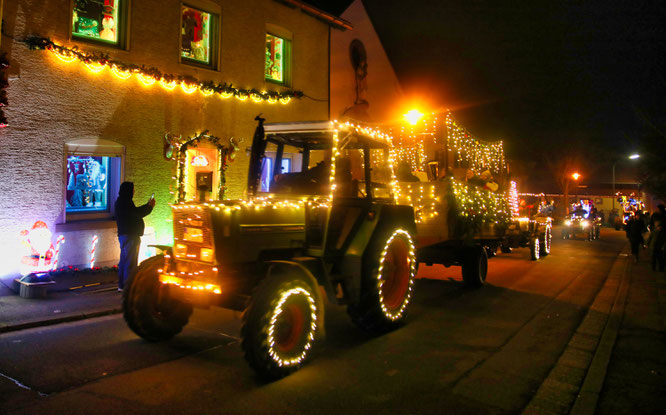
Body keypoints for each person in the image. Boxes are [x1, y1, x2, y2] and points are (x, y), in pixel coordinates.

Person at [115, 182, 155, 291]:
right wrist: (149, 207)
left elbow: (135, 212)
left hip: (126, 235)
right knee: (130, 262)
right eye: (133, 189)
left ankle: (122, 285)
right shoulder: (125, 202)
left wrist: (147, 206)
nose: (134, 192)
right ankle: (127, 286)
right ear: (128, 190)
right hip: (130, 235)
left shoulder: (122, 201)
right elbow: (137, 213)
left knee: (125, 260)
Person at [649, 204, 665, 271]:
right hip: (657, 239)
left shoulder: (658, 216)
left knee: (658, 253)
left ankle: (657, 267)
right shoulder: (655, 216)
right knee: (657, 253)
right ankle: (656, 267)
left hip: (660, 238)